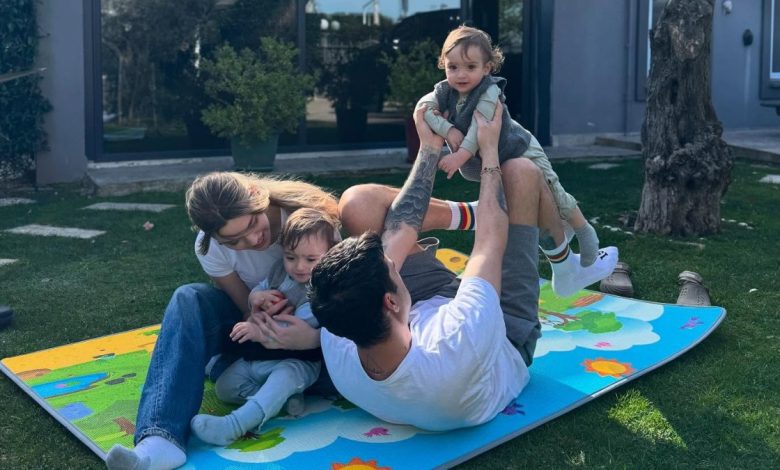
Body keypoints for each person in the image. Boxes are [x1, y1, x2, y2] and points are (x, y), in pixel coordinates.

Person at [307, 102, 618, 431]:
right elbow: (489, 240)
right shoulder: (458, 340)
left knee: (359, 203)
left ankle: (471, 213)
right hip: (502, 333)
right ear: (390, 301)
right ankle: (563, 263)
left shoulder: (336, 323)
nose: (394, 260)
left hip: (422, 313)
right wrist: (489, 149)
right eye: (392, 268)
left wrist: (429, 148)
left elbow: (401, 231)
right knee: (521, 173)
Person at [106, 173, 339, 470]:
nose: (252, 240)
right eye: (233, 240)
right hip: (261, 335)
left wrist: (313, 339)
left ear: (256, 195)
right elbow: (244, 309)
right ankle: (160, 438)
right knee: (188, 297)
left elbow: (347, 302)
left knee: (340, 367)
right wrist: (256, 308)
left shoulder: (309, 220)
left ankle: (246, 378)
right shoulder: (210, 248)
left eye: (252, 224)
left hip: (320, 341)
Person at [417, 25, 605, 274]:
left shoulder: (489, 91)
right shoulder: (444, 90)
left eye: (470, 67)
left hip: (520, 147)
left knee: (552, 189)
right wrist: (449, 130)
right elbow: (423, 109)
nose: (460, 74)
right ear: (444, 65)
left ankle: (584, 229)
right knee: (524, 198)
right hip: (493, 156)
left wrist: (460, 155)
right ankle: (562, 235)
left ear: (487, 68)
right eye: (453, 67)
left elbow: (478, 128)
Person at [190, 208, 339, 446]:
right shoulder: (280, 270)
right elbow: (262, 286)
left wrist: (257, 331)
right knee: (225, 387)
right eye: (291, 257)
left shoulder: (323, 289)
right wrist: (255, 298)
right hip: (262, 357)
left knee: (285, 376)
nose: (299, 266)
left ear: (330, 254)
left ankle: (235, 425)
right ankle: (282, 400)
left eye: (311, 260)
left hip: (299, 361)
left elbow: (294, 328)